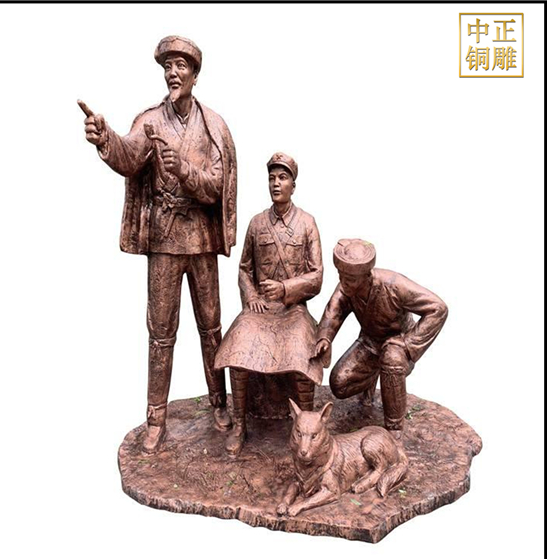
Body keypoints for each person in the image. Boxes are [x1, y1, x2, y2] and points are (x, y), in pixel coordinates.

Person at [81, 36, 237, 453]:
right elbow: (129, 157)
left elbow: (217, 187)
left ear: (195, 75)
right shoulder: (151, 121)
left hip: (200, 240)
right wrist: (105, 139)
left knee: (211, 328)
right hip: (165, 241)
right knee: (161, 333)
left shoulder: (213, 126)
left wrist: (184, 169)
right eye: (168, 66)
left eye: (181, 66)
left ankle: (219, 403)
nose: (173, 73)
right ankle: (156, 417)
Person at [215, 152, 327, 456]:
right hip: (261, 309)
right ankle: (240, 424)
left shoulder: (307, 223)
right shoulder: (257, 223)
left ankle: (307, 424)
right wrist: (251, 297)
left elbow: (317, 276)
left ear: (293, 185)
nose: (276, 183)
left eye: (282, 178)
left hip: (293, 310)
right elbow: (244, 269)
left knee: (303, 349)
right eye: (271, 178)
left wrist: (286, 289)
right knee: (237, 343)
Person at [314, 239, 448, 439]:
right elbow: (333, 312)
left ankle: (395, 427)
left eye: (350, 278)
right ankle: (375, 375)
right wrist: (324, 339)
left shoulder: (395, 285)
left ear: (366, 275)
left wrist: (408, 344)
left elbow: (438, 308)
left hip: (397, 345)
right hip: (370, 343)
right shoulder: (346, 287)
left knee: (391, 358)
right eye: (341, 276)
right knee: (339, 384)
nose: (343, 282)